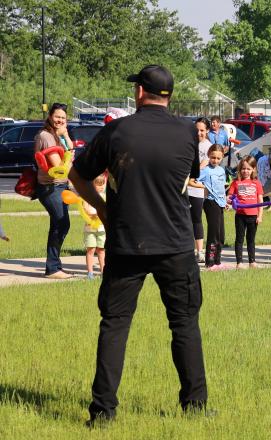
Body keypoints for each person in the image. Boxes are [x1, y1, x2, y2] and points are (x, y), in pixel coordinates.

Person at [69, 64, 208, 426]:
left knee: (115, 325)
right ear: (169, 95)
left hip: (126, 241)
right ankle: (195, 407)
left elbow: (77, 175)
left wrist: (101, 209)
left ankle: (103, 413)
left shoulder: (117, 130)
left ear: (140, 92)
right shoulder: (186, 133)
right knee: (184, 324)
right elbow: (188, 175)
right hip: (176, 242)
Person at [34, 102, 74, 279]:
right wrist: (69, 155)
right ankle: (52, 268)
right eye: (57, 116)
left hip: (60, 186)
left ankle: (54, 266)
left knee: (60, 224)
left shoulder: (57, 135)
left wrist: (65, 135)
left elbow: (71, 151)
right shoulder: (46, 137)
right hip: (50, 187)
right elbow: (60, 166)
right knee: (61, 223)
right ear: (50, 116)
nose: (60, 120)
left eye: (63, 118)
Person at [192, 144, 227, 270]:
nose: (215, 160)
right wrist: (203, 187)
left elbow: (222, 187)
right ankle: (210, 262)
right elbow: (191, 181)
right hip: (210, 203)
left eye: (218, 158)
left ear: (222, 157)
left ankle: (218, 261)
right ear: (209, 155)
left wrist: (225, 201)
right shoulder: (206, 170)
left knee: (221, 234)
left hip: (220, 203)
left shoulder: (222, 170)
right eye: (213, 157)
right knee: (213, 234)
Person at [228, 156, 264, 268]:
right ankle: (239, 262)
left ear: (253, 169)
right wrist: (230, 201)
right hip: (240, 215)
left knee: (251, 239)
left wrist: (260, 216)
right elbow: (229, 197)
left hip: (253, 215)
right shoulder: (236, 182)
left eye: (248, 169)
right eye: (243, 168)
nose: (246, 171)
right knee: (239, 239)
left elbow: (260, 201)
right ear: (239, 169)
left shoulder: (256, 183)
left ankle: (252, 261)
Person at [188, 117, 212, 262]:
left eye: (202, 130)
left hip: (197, 188)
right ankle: (186, 250)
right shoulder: (189, 143)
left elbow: (204, 163)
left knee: (196, 219)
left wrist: (192, 172)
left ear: (207, 131)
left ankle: (200, 251)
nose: (199, 133)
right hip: (185, 187)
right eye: (197, 130)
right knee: (184, 219)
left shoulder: (208, 146)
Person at [82, 174, 107, 280]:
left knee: (101, 250)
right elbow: (85, 209)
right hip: (90, 228)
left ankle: (103, 272)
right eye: (98, 184)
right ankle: (90, 273)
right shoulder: (88, 197)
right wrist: (92, 214)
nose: (101, 186)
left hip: (101, 228)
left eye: (103, 184)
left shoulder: (106, 197)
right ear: (93, 185)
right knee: (90, 250)